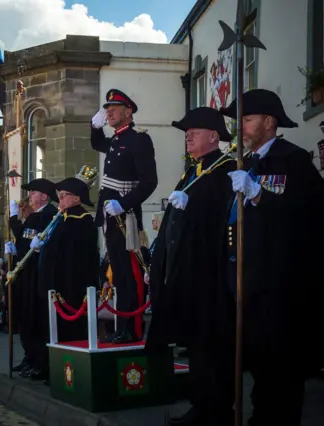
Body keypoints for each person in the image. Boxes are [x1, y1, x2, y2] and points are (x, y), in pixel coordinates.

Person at [220, 89, 324, 426]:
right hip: (248, 284)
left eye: (247, 120)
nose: (241, 128)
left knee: (281, 371)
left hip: (281, 286)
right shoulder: (245, 163)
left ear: (269, 122)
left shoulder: (292, 160)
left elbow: (309, 213)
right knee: (258, 368)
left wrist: (260, 195)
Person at [145, 106, 236, 426]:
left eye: (194, 133)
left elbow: (219, 222)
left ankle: (216, 411)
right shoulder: (195, 171)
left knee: (212, 349)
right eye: (186, 134)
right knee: (196, 348)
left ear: (214, 136)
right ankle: (201, 406)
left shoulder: (225, 170)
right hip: (186, 276)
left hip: (209, 278)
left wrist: (191, 207)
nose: (188, 138)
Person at [91, 89, 157, 343]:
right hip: (110, 214)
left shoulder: (138, 140)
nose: (108, 112)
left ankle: (132, 328)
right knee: (118, 272)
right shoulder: (117, 140)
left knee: (130, 272)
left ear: (128, 112)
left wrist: (124, 203)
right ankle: (122, 327)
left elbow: (149, 181)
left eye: (114, 108)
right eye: (107, 109)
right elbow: (98, 143)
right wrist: (94, 128)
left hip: (125, 214)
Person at [35, 173, 99, 383]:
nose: (60, 200)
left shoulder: (81, 220)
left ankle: (67, 373)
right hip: (54, 283)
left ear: (77, 198)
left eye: (64, 196)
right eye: (59, 196)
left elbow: (77, 257)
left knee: (69, 330)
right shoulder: (61, 219)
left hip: (70, 284)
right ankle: (50, 368)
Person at [6, 178, 59, 378]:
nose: (29, 196)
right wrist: (14, 249)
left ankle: (39, 361)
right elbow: (24, 239)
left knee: (35, 319)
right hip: (25, 273)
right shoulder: (36, 215)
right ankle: (30, 357)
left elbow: (30, 238)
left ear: (44, 196)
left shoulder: (49, 215)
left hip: (37, 274)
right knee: (25, 318)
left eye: (33, 192)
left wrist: (13, 220)